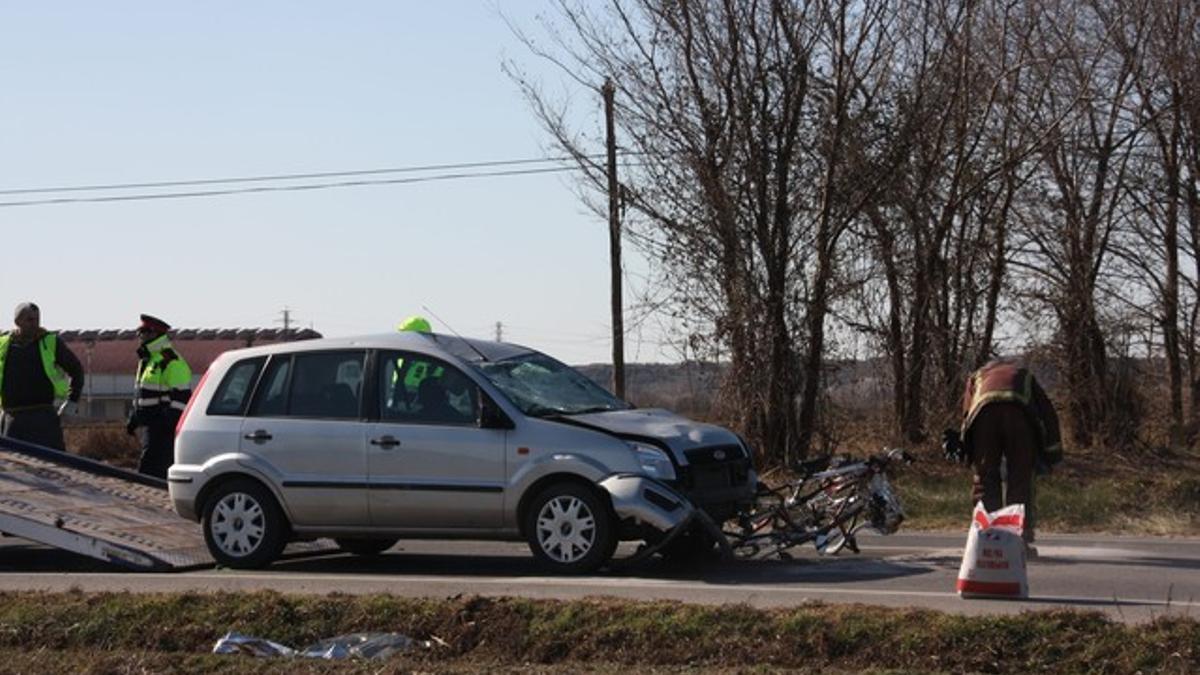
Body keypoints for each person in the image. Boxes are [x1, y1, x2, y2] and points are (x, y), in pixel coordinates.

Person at [944, 360, 1062, 553]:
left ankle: (987, 537)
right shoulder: (1025, 376)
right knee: (1020, 478)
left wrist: (968, 449)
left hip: (984, 416)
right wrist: (1053, 454)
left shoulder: (977, 377)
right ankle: (1018, 539)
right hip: (1019, 416)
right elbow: (1048, 413)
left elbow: (967, 414)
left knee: (985, 477)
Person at [0, 302, 84, 450]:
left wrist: (72, 402)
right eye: (30, 320)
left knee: (54, 465)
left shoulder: (50, 342)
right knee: (13, 469)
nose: (35, 324)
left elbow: (76, 370)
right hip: (12, 419)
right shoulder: (3, 345)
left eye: (37, 320)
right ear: (17, 322)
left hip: (43, 419)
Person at [127, 314, 192, 479]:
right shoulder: (148, 360)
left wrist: (163, 424)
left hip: (163, 433)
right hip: (151, 429)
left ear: (155, 334)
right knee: (148, 474)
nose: (140, 337)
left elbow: (182, 399)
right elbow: (145, 394)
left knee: (152, 476)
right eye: (139, 332)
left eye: (143, 332)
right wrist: (135, 417)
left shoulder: (171, 361)